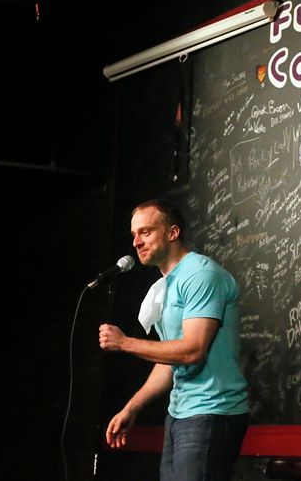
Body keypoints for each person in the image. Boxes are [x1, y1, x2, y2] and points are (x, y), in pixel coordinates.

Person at [98, 198, 249, 481]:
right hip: (180, 414)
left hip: (212, 411)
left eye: (146, 232)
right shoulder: (167, 286)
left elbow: (192, 351)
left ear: (172, 233)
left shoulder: (200, 275)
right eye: (134, 235)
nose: (136, 242)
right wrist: (132, 407)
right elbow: (171, 360)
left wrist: (124, 343)